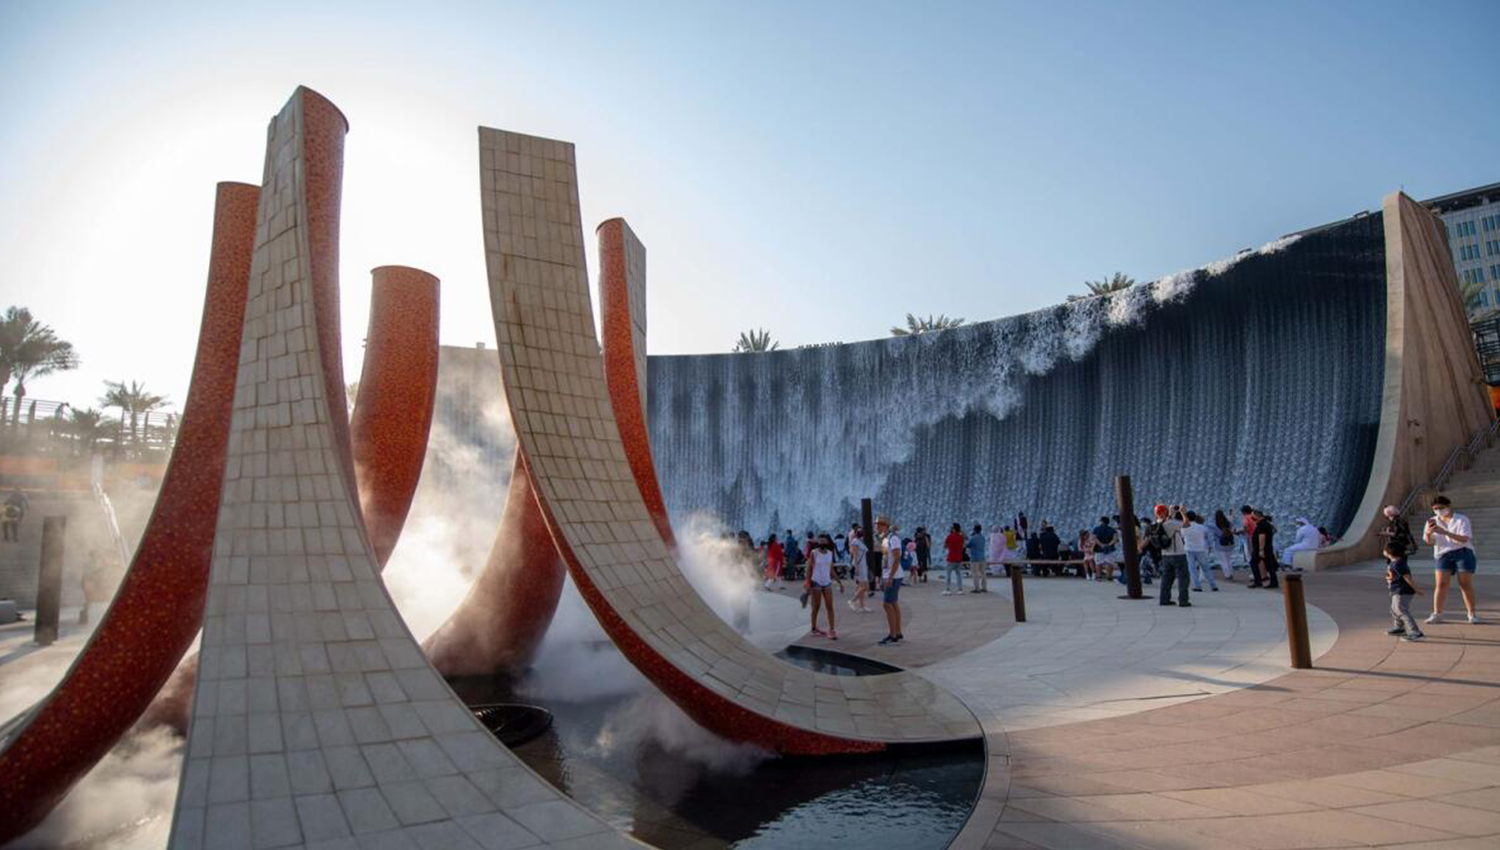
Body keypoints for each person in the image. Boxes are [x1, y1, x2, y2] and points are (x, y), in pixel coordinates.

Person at [1424, 495, 1479, 624]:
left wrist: (1445, 532)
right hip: (1443, 554)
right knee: (1441, 584)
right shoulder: (1432, 521)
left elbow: (1465, 539)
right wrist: (1428, 533)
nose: (1438, 511)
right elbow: (1429, 542)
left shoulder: (1461, 519)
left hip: (1463, 552)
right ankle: (1437, 614)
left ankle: (1472, 614)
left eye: (1441, 508)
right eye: (1435, 509)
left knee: (1465, 584)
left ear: (1448, 506)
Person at [805, 534, 845, 639]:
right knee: (816, 607)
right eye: (820, 541)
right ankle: (813, 628)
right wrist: (807, 583)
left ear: (827, 542)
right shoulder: (814, 553)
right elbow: (809, 568)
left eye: (824, 541)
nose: (822, 543)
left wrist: (839, 582)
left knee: (830, 606)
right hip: (816, 582)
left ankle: (832, 629)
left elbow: (831, 569)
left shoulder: (830, 554)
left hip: (827, 582)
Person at [1386, 539, 1424, 641]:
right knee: (1394, 610)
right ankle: (1399, 627)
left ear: (1389, 552)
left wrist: (1417, 589)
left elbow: (1407, 578)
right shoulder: (1394, 562)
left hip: (1403, 591)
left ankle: (1415, 631)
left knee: (1401, 610)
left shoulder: (1399, 564)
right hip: (1396, 590)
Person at [877, 516, 905, 645]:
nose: (877, 527)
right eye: (877, 525)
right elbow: (885, 559)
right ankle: (897, 632)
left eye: (880, 525)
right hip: (888, 575)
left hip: (893, 576)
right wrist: (882, 577)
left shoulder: (893, 539)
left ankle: (892, 635)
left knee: (887, 604)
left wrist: (889, 577)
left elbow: (897, 557)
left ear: (886, 526)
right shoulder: (885, 539)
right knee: (893, 603)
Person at [1155, 505, 1191, 606]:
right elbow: (1187, 524)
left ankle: (1164, 599)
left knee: (1166, 579)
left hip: (1165, 554)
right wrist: (1183, 512)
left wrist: (1171, 514)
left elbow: (1167, 521)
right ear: (1165, 512)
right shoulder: (1171, 523)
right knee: (1183, 578)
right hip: (1178, 553)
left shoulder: (1157, 523)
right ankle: (1183, 601)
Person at [1182, 511, 1218, 592]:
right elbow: (1208, 537)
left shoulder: (1185, 528)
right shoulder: (1202, 527)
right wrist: (1210, 546)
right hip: (1200, 549)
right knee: (1206, 568)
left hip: (1189, 549)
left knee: (1192, 569)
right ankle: (1213, 585)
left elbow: (1182, 536)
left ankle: (1197, 586)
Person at [1250, 510, 1279, 589]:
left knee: (1254, 563)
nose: (1252, 518)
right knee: (1269, 566)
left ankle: (1258, 581)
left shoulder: (1262, 524)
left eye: (1253, 516)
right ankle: (1273, 582)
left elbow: (1262, 537)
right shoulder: (1266, 523)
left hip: (1262, 549)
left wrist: (1261, 550)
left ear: (1257, 515)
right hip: (1267, 548)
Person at [847, 525, 871, 612]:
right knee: (865, 586)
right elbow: (855, 556)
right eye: (859, 531)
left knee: (862, 586)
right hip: (860, 566)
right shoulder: (855, 542)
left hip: (863, 565)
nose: (861, 532)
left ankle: (862, 606)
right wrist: (856, 568)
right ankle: (852, 601)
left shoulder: (859, 541)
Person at [1212, 510, 1237, 581]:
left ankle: (1227, 575)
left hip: (1220, 545)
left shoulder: (1215, 525)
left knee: (1223, 561)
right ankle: (1231, 574)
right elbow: (1232, 519)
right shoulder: (1228, 523)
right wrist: (1231, 513)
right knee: (1229, 560)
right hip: (1229, 544)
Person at [1091, 516, 1118, 583]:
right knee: (1109, 562)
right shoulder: (1112, 529)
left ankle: (1098, 577)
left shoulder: (1096, 529)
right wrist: (1109, 544)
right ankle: (1109, 577)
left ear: (1102, 521)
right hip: (1110, 549)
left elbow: (1094, 538)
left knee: (1098, 563)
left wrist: (1101, 544)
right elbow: (1115, 539)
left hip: (1099, 548)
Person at [1238, 505, 1261, 586]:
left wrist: (1239, 532)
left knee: (1251, 556)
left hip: (1251, 538)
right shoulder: (1254, 516)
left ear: (1243, 512)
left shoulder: (1246, 518)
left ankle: (1255, 575)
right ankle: (1261, 573)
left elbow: (1246, 528)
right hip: (1259, 537)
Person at [942, 523, 967, 596]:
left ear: (953, 529)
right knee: (958, 574)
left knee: (948, 574)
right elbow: (963, 546)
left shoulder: (949, 536)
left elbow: (944, 546)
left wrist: (950, 546)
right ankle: (960, 590)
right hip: (959, 558)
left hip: (951, 558)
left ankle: (947, 589)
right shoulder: (961, 537)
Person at [968, 524, 988, 591]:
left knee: (975, 573)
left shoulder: (973, 538)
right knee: (983, 573)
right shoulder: (983, 537)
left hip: (975, 558)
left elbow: (968, 545)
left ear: (974, 530)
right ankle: (984, 587)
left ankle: (977, 588)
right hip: (982, 557)